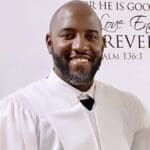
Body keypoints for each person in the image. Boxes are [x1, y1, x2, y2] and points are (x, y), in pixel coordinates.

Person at [0, 0, 148, 150]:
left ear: (103, 45)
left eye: (91, 36)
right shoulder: (21, 111)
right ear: (50, 43)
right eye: (68, 35)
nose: (81, 46)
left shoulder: (130, 107)